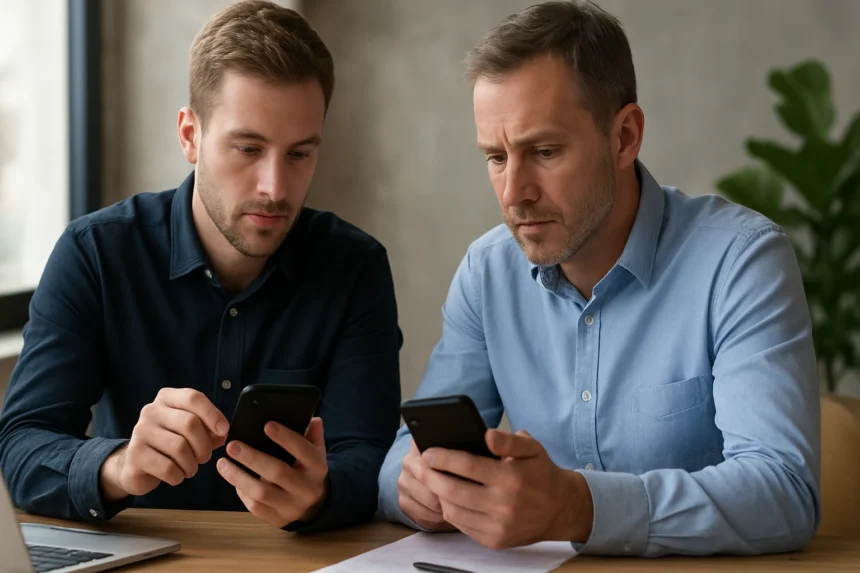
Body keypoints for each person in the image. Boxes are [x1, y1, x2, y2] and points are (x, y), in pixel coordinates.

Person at [378, 0, 820, 557]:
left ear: (625, 137)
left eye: (544, 151)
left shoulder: (741, 263)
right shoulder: (487, 274)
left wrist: (578, 506)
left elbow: (783, 492)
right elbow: (401, 456)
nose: (514, 193)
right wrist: (415, 486)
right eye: (495, 157)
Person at [0, 0, 402, 533]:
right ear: (190, 136)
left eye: (299, 154)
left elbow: (369, 457)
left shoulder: (355, 268)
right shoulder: (94, 254)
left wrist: (321, 495)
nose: (275, 188)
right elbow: (22, 445)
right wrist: (119, 466)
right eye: (248, 148)